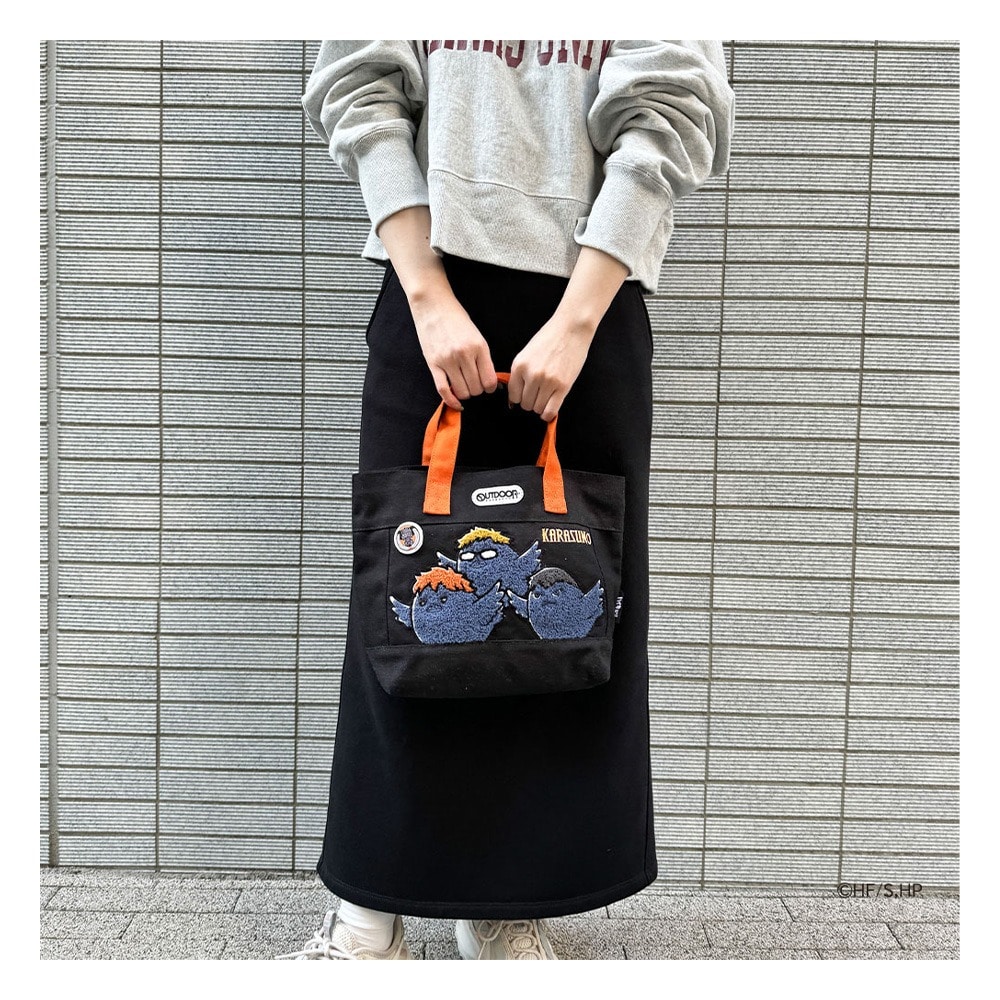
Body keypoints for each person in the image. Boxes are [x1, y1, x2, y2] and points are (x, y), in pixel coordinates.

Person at [278, 39, 735, 961]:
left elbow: (669, 110)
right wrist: (426, 295)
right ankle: (367, 916)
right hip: (427, 284)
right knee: (406, 609)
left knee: (555, 619)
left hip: (588, 303)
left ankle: (505, 901)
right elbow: (361, 87)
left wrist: (576, 322)